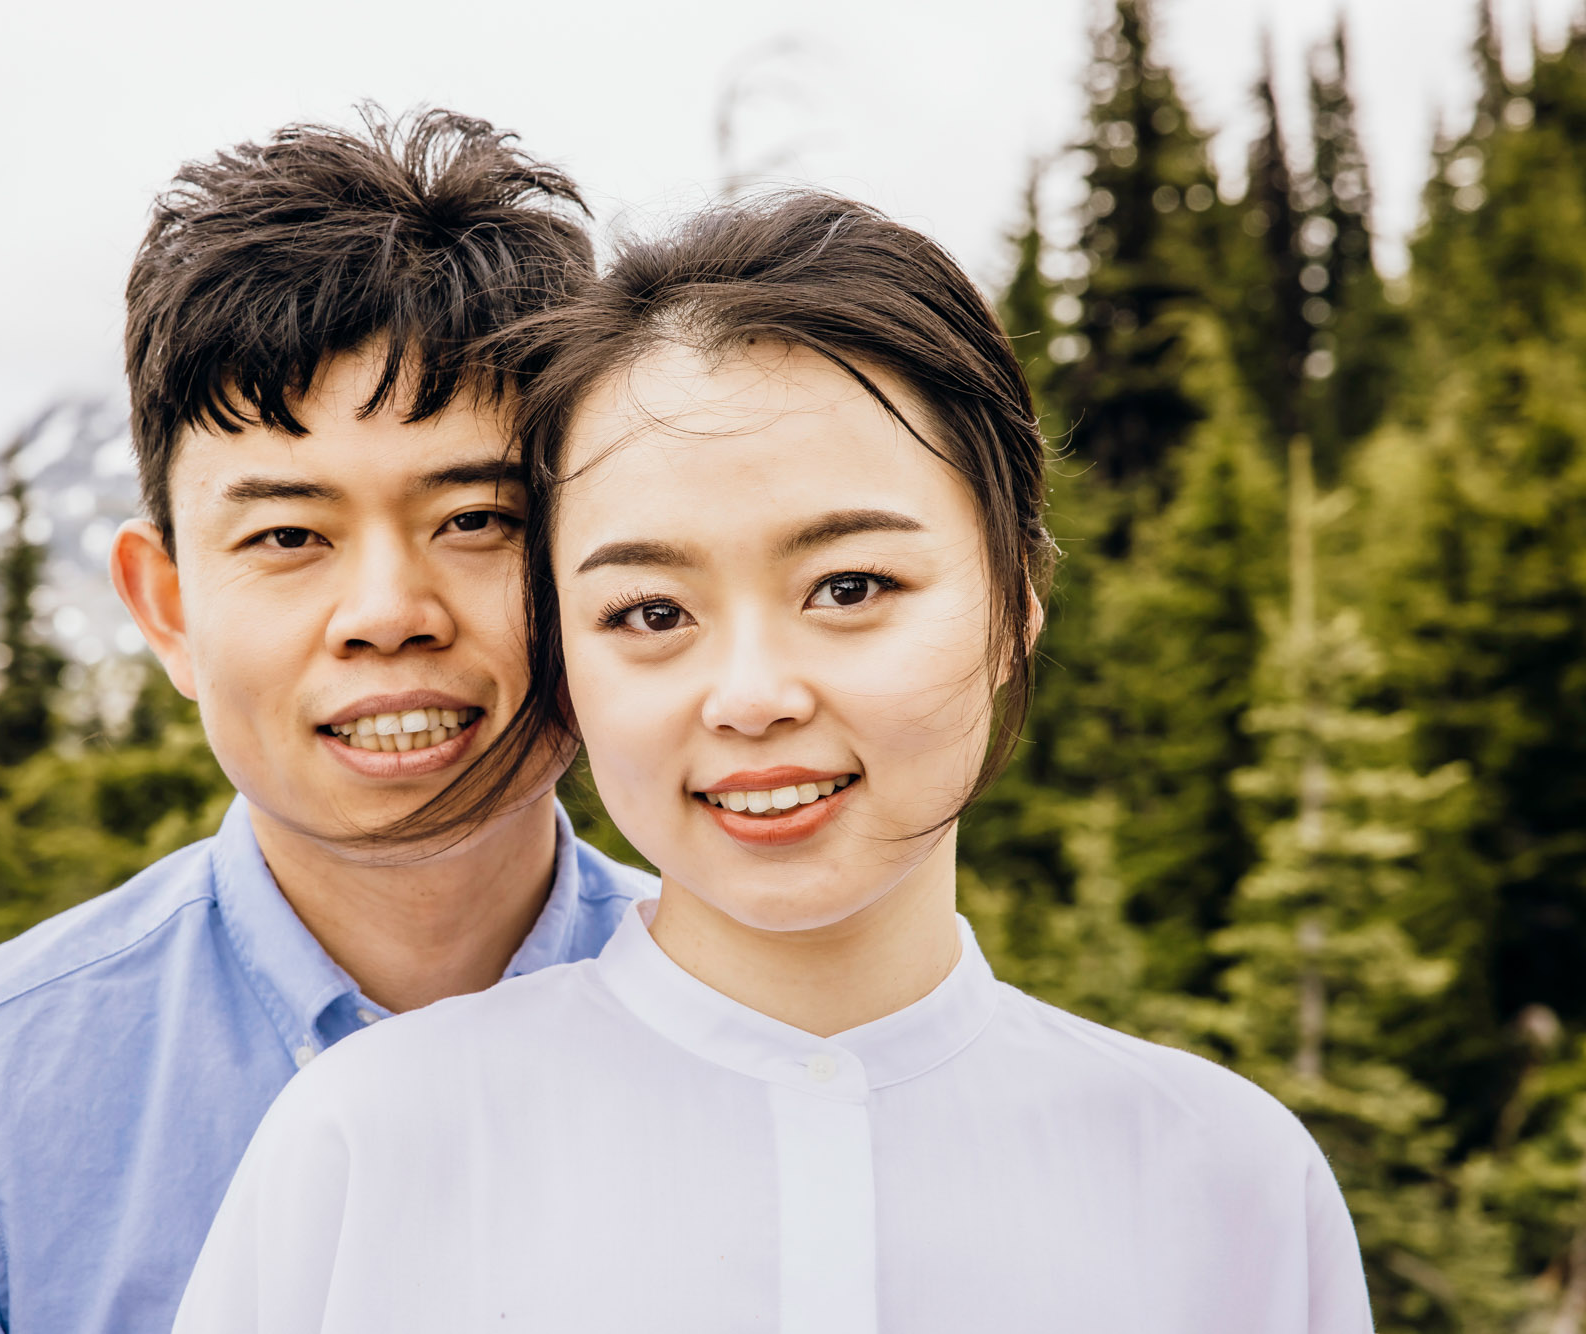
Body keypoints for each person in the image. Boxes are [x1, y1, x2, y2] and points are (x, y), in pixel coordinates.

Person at [174, 194, 1374, 1333]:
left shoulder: (1221, 1177)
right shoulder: (364, 1146)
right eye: (649, 611)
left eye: (848, 587)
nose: (749, 696)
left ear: (1016, 595)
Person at [0, 109, 656, 1334]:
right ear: (167, 606)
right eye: (288, 535)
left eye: (475, 519)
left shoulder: (758, 1026)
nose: (387, 613)